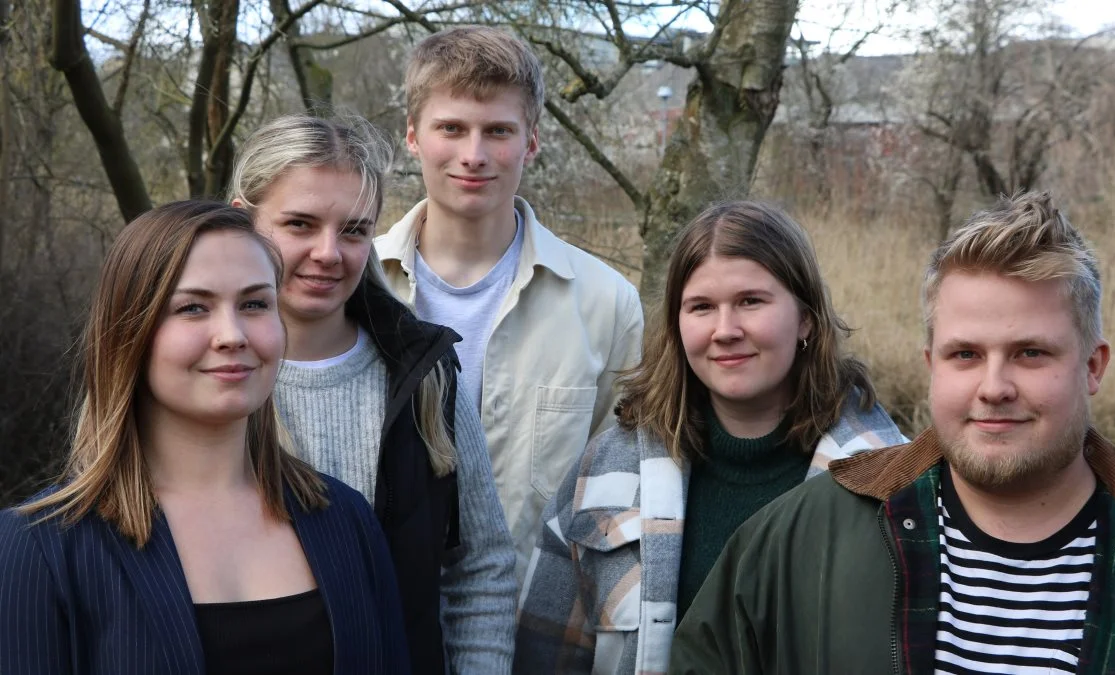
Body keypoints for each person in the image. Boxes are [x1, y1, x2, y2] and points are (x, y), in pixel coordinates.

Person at [669, 191, 1115, 674]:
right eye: (965, 354)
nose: (994, 387)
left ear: (1093, 366)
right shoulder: (797, 539)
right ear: (932, 365)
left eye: (1030, 353)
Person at [0, 201, 410, 675]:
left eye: (255, 304)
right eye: (192, 308)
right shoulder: (41, 549)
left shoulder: (346, 519)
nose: (231, 335)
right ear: (128, 334)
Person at [514, 200, 908, 673]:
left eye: (750, 302)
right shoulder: (609, 469)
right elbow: (543, 653)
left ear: (805, 317)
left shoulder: (888, 480)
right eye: (701, 307)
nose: (725, 331)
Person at [228, 115, 517, 674]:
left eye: (355, 230)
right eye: (299, 225)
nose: (328, 252)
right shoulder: (194, 375)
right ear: (243, 223)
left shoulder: (424, 373)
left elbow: (480, 566)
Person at [374, 26, 644, 578]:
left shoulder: (606, 303)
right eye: (451, 128)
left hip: (534, 631)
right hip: (380, 627)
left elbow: (617, 495)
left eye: (498, 130)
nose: (473, 155)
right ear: (412, 137)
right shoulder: (357, 285)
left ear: (532, 141)